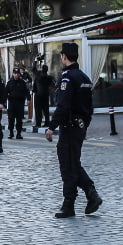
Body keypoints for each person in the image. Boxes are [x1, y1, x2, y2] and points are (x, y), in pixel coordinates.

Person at [45, 42, 102, 219]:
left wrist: (51, 127)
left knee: (67, 166)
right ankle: (91, 193)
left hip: (69, 127)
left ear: (64, 57)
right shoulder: (84, 78)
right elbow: (90, 107)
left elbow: (63, 106)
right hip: (79, 127)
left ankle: (69, 204)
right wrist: (84, 124)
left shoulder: (68, 79)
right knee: (73, 163)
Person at [6, 68, 30, 139]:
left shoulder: (22, 82)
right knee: (11, 119)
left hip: (20, 103)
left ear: (19, 74)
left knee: (19, 119)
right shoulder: (9, 82)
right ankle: (11, 133)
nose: (16, 75)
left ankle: (18, 133)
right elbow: (5, 92)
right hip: (12, 103)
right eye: (15, 73)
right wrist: (3, 102)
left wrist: (28, 99)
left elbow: (26, 91)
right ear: (13, 74)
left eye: (17, 73)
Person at [32, 63, 55, 128]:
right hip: (46, 95)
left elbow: (33, 69)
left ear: (42, 69)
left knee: (38, 110)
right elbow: (52, 84)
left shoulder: (38, 75)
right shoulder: (49, 77)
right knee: (46, 109)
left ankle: (38, 123)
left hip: (38, 95)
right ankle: (47, 122)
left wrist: (35, 61)